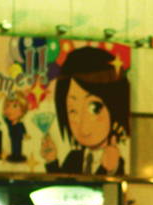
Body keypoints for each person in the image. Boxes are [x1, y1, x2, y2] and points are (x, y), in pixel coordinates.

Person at [42, 47, 129, 176]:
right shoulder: (74, 157)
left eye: (94, 108)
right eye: (72, 111)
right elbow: (62, 189)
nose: (83, 126)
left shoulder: (117, 161)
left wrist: (111, 169)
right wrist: (51, 161)